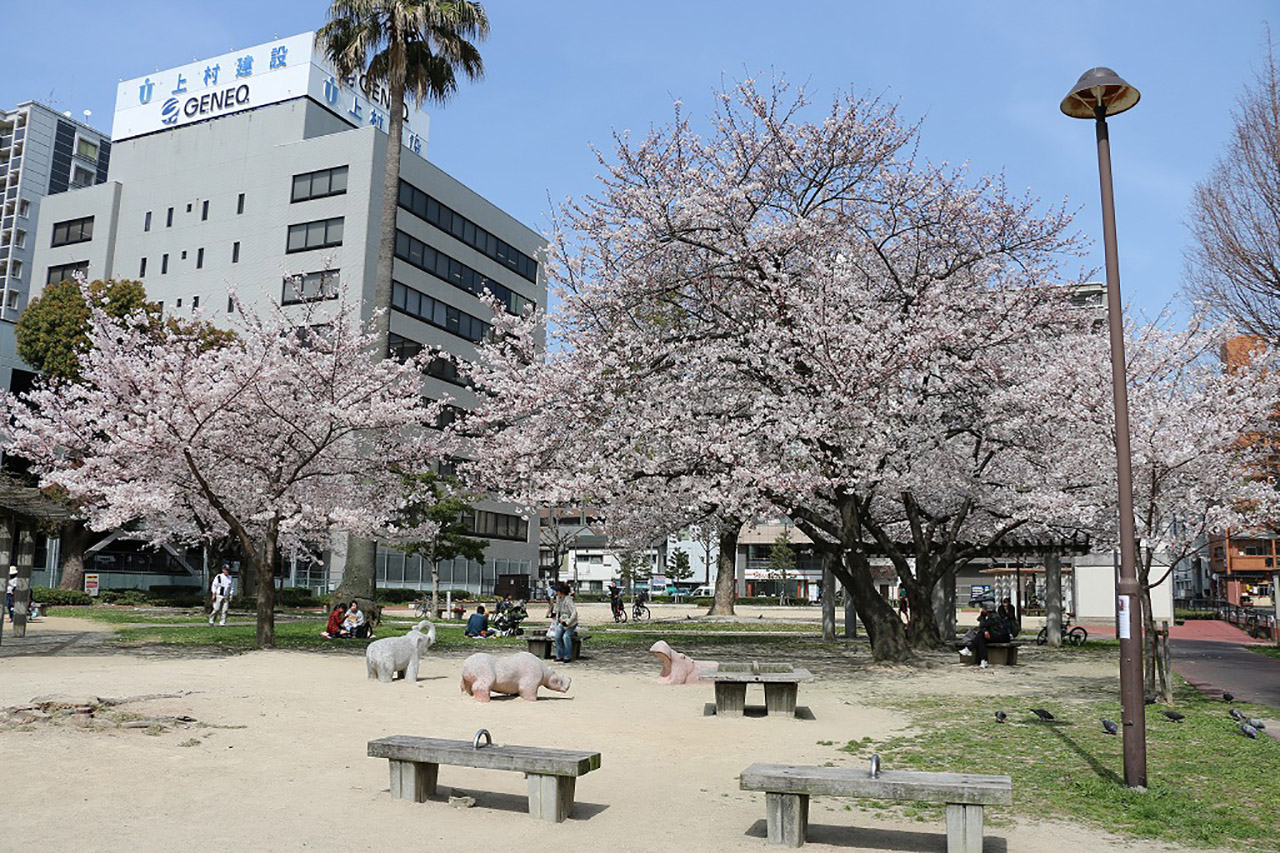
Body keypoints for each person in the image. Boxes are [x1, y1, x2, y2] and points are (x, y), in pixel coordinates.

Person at [961, 604, 1010, 669]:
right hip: (996, 635)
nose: (982, 610)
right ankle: (983, 660)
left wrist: (982, 617)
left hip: (1001, 636)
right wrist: (985, 630)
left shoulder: (994, 617)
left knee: (980, 636)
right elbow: (984, 626)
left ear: (987, 610)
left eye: (983, 609)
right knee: (981, 639)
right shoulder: (990, 616)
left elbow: (982, 625)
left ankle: (970, 649)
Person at [552, 583, 579, 663]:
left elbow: (574, 613)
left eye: (557, 591)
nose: (556, 592)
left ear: (561, 591)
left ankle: (567, 656)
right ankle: (559, 656)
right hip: (561, 621)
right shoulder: (558, 599)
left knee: (565, 637)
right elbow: (557, 608)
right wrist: (554, 614)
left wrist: (568, 622)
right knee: (557, 636)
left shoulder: (568, 600)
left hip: (571, 623)